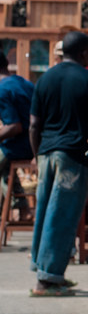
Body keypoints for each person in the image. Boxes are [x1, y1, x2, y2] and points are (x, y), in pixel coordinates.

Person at [28, 31, 88, 296]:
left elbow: (33, 125)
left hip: (46, 153)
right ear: (86, 53)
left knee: (45, 212)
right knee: (62, 216)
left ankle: (45, 269)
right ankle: (47, 279)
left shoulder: (44, 79)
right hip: (73, 156)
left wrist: (37, 154)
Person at [0, 51, 34, 214]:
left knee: (4, 161)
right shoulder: (25, 83)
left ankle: (18, 205)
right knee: (5, 170)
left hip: (20, 146)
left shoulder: (2, 89)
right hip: (35, 144)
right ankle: (20, 205)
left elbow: (15, 126)